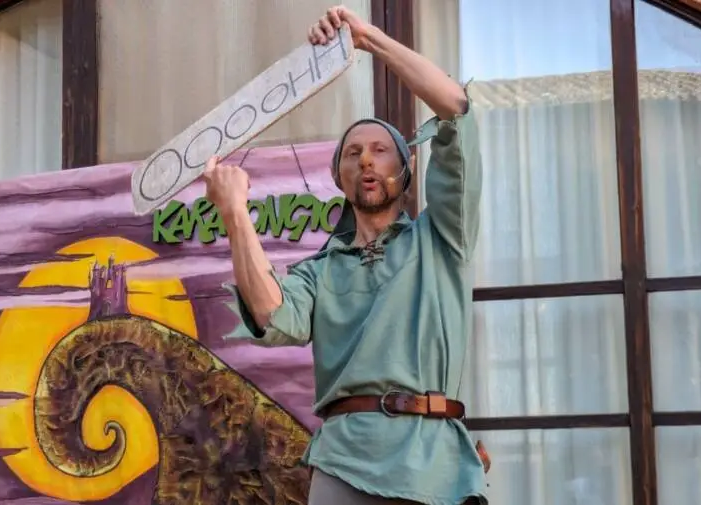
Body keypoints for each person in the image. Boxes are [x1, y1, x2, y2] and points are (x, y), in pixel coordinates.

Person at [202, 5, 487, 505]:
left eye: (380, 150)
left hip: (432, 464)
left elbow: (456, 107)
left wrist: (365, 37)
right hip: (343, 464)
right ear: (338, 177)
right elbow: (270, 314)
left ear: (407, 168)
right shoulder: (319, 272)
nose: (367, 160)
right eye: (353, 153)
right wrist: (234, 212)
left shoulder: (442, 237)